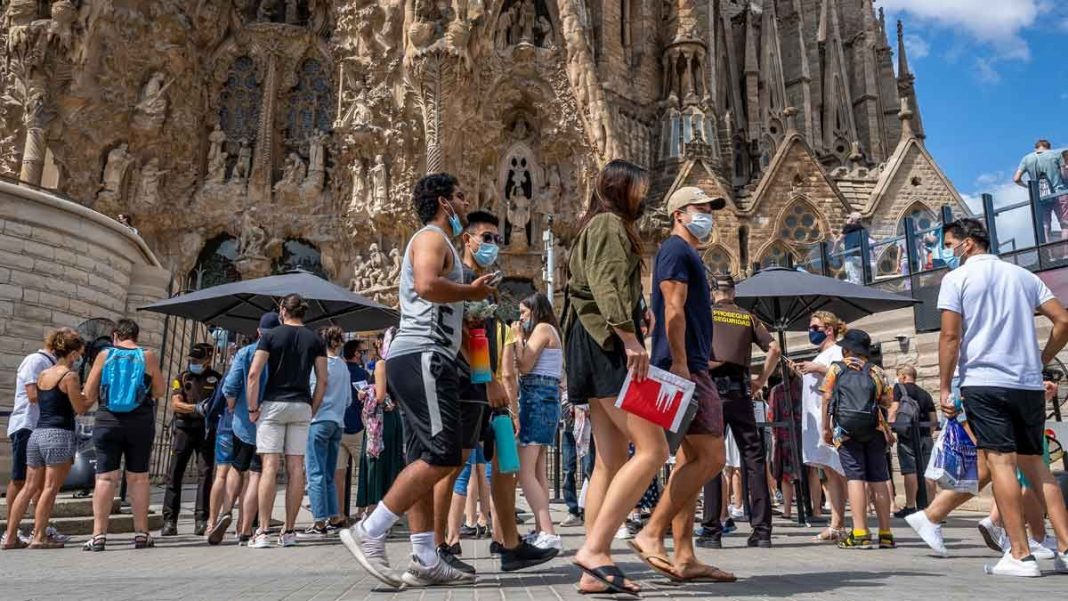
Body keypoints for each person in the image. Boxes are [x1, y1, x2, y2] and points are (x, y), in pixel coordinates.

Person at [341, 172, 496, 588]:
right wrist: (472, 293)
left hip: (428, 356)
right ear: (444, 203)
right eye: (461, 197)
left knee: (424, 458)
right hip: (423, 356)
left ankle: (426, 557)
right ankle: (369, 530)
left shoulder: (441, 243)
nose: (466, 204)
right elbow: (428, 286)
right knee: (443, 456)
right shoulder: (430, 238)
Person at [933, 218, 1068, 576]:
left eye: (949, 245)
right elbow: (1063, 322)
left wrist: (946, 387)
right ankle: (1067, 547)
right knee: (1037, 466)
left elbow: (950, 337)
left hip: (984, 381)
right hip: (1026, 383)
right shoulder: (1025, 277)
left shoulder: (956, 279)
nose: (946, 252)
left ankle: (1020, 554)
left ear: (968, 243)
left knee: (1001, 464)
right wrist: (1041, 359)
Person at [564, 160, 667, 596]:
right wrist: (630, 339)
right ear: (620, 188)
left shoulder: (595, 225)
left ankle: (594, 570)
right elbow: (607, 285)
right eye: (639, 188)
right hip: (604, 340)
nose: (643, 196)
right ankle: (596, 550)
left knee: (609, 460)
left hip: (587, 342)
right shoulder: (608, 224)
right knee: (652, 448)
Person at [627, 185, 734, 583]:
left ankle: (685, 556)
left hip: (687, 363)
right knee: (712, 458)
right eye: (701, 208)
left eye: (711, 209)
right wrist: (682, 363)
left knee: (691, 460)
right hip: (683, 367)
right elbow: (672, 309)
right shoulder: (675, 250)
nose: (708, 215)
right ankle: (651, 532)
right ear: (678, 213)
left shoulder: (685, 253)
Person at [698, 273, 781, 549]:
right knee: (753, 459)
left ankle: (711, 530)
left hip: (713, 392)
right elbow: (774, 349)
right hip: (742, 392)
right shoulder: (748, 317)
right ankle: (762, 530)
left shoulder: (706, 314)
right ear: (734, 292)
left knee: (712, 458)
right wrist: (761, 379)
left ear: (713, 293)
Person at [246, 294, 328, 548]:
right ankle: (289, 531)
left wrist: (251, 408)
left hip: (273, 403)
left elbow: (253, 373)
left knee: (269, 465)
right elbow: (323, 380)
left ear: (283, 310)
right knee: (296, 466)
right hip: (301, 404)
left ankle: (261, 532)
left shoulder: (270, 336)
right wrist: (312, 408)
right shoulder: (315, 339)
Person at [83, 319, 166, 551]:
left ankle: (99, 535)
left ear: (115, 335)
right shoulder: (147, 356)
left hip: (108, 420)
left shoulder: (104, 355)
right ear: (136, 336)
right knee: (138, 478)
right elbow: (159, 390)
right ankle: (141, 533)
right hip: (140, 423)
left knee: (105, 478)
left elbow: (89, 392)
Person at [2, 330, 88, 549]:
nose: (78, 359)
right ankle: (39, 536)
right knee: (49, 488)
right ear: (71, 354)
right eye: (78, 354)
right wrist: (92, 394)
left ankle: (10, 537)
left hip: (38, 434)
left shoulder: (43, 374)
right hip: (59, 434)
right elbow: (80, 408)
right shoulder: (69, 376)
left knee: (29, 486)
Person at [820, 329, 895, 550]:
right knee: (879, 479)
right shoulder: (877, 371)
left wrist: (825, 427)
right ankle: (886, 533)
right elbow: (887, 402)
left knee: (855, 478)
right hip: (875, 429)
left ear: (847, 349)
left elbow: (826, 398)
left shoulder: (837, 368)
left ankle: (860, 531)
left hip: (846, 431)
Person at [512, 292, 565, 550]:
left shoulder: (543, 329)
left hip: (537, 400)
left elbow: (523, 365)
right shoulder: (551, 329)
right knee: (538, 471)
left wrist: (518, 339)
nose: (521, 318)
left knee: (524, 471)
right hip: (542, 399)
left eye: (524, 312)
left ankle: (548, 530)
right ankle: (540, 528)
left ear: (536, 310)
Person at [221, 311, 279, 545]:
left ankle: (226, 511)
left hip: (244, 422)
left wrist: (236, 409)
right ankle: (245, 528)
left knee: (236, 468)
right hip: (270, 423)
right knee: (256, 474)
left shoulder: (245, 353)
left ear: (258, 332)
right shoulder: (279, 357)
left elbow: (230, 388)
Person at [4, 334, 59, 547]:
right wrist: (61, 395)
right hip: (26, 425)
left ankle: (40, 528)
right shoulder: (35, 361)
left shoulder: (51, 364)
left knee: (39, 482)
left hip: (40, 428)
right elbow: (32, 394)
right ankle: (11, 530)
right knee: (19, 480)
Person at [797, 310, 849, 542]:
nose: (811, 332)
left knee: (841, 470)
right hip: (818, 419)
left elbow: (846, 377)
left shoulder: (837, 352)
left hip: (830, 419)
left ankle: (850, 522)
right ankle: (836, 524)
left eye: (815, 328)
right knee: (830, 472)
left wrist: (819, 369)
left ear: (829, 330)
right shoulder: (821, 354)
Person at [162, 342, 221, 536]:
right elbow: (176, 404)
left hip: (205, 431)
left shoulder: (217, 379)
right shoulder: (182, 377)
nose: (193, 363)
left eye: (197, 360)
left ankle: (201, 520)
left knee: (205, 474)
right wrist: (195, 408)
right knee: (174, 474)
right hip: (183, 430)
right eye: (191, 360)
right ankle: (170, 521)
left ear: (207, 360)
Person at [305, 327, 351, 535]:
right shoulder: (343, 366)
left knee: (315, 472)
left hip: (319, 419)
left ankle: (319, 519)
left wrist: (311, 412)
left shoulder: (320, 364)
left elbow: (315, 389)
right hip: (337, 422)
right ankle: (334, 515)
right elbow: (349, 398)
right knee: (330, 472)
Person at [355, 327, 404, 519]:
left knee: (376, 462)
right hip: (395, 419)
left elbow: (381, 395)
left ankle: (376, 511)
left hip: (380, 422)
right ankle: (392, 509)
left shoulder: (382, 364)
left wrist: (366, 392)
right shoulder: (402, 364)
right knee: (393, 462)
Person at [888, 365, 937, 517]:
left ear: (902, 376)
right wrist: (927, 434)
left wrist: (890, 427)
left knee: (910, 470)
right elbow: (934, 420)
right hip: (925, 437)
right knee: (928, 472)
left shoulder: (899, 388)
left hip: (908, 436)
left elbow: (894, 409)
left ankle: (910, 506)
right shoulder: (925, 394)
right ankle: (930, 508)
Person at [1014, 139, 1068, 244]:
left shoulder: (1026, 158)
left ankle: (1047, 255)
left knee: (1045, 225)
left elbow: (1016, 179)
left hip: (1040, 196)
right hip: (1059, 192)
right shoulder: (1057, 155)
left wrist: (1028, 187)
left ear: (1036, 148)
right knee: (1065, 224)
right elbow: (1064, 175)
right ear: (1049, 147)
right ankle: (1066, 253)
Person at [339, 339, 368, 524]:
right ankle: (362, 511)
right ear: (356, 354)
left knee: (338, 474)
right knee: (365, 472)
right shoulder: (363, 374)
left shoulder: (338, 371)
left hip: (338, 426)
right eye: (361, 352)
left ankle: (339, 513)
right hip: (357, 428)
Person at [767, 369, 803, 520]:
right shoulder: (802, 387)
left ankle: (787, 510)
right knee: (810, 473)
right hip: (802, 433)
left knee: (786, 476)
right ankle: (816, 510)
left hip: (783, 434)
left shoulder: (777, 390)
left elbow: (771, 415)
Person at [560, 390, 595, 527]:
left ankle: (589, 510)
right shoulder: (566, 379)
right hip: (570, 429)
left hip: (587, 429)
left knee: (590, 470)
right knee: (568, 471)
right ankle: (573, 511)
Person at [839, 212, 867, 284]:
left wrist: (847, 224)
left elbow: (839, 239)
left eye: (849, 218)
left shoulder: (848, 228)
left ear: (852, 219)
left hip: (851, 257)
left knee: (853, 280)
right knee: (858, 279)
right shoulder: (862, 228)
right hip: (860, 257)